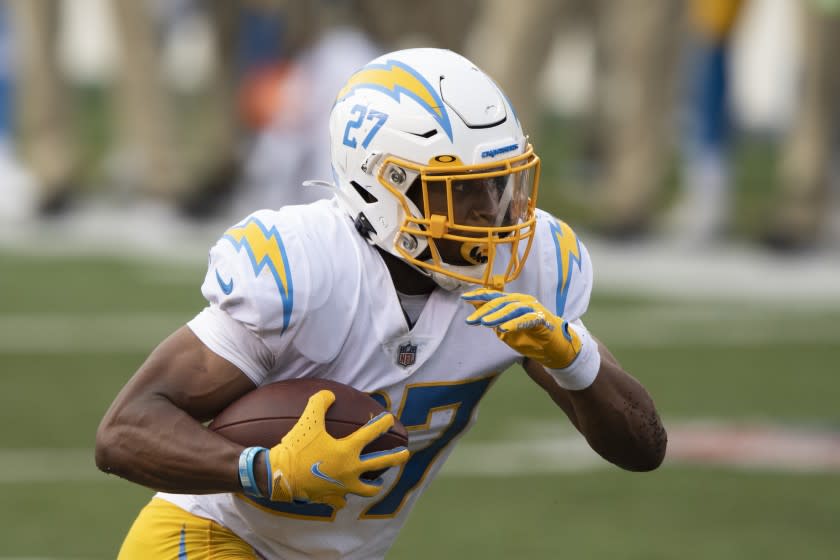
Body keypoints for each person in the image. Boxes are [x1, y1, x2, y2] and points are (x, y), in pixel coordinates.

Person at [96, 48, 667, 559]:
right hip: (210, 540)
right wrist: (264, 470)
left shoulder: (529, 266)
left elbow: (643, 450)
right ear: (384, 188)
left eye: (499, 183)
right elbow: (125, 430)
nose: (491, 211)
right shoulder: (309, 265)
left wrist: (576, 360)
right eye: (460, 188)